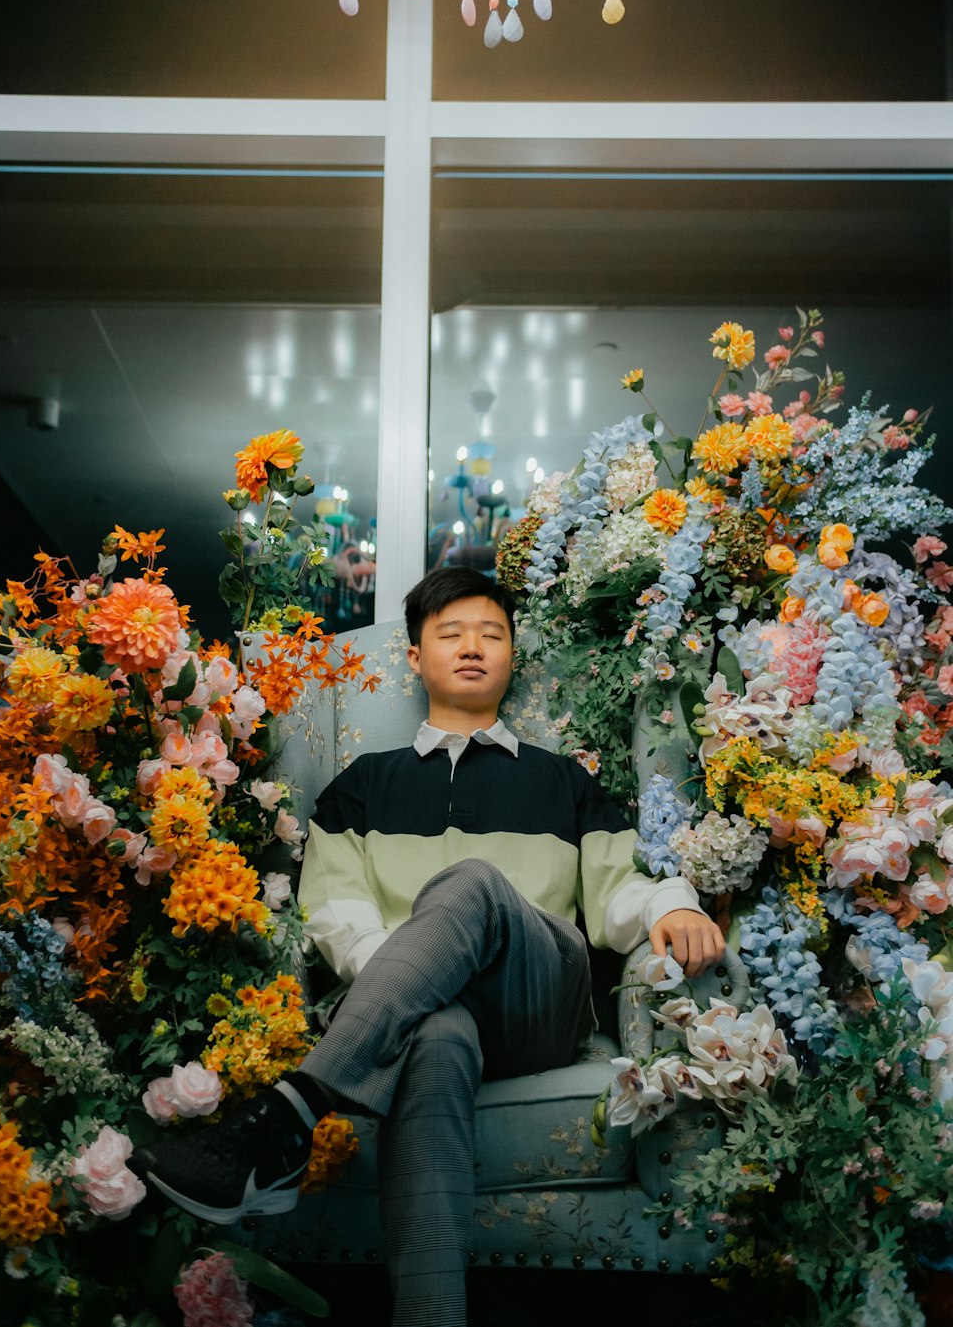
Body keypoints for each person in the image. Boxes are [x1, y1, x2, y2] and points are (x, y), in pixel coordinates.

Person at [136, 568, 724, 1326]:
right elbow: (337, 917)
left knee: (471, 884)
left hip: (536, 999)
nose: (473, 647)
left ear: (512, 654)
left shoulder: (564, 783)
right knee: (439, 1032)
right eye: (451, 632)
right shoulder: (362, 786)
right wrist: (423, 981)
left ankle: (290, 1115)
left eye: (492, 633)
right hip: (415, 1015)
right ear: (414, 656)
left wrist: (673, 901)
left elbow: (615, 898)